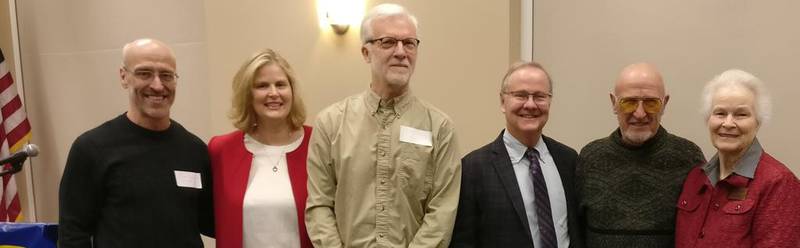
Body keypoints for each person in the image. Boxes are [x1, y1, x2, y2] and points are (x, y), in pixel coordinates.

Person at [305, 3, 461, 247]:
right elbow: (319, 205)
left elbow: (442, 212)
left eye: (409, 43)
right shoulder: (330, 123)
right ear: (366, 53)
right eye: (388, 42)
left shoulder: (439, 128)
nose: (401, 52)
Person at [58, 38, 214, 247]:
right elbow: (73, 234)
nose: (158, 85)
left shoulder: (195, 150)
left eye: (166, 75)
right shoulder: (91, 149)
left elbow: (212, 222)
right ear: (124, 77)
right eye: (144, 73)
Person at [452, 62, 582, 248]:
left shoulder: (569, 160)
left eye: (539, 96)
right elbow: (462, 242)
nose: (530, 104)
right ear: (502, 101)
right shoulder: (473, 168)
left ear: (550, 101)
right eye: (520, 95)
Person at [576, 63, 704, 247]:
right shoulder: (590, 158)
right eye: (629, 102)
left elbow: (701, 233)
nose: (640, 113)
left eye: (651, 103)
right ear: (613, 103)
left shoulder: (689, 157)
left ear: (664, 104)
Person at [675, 69, 800, 247]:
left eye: (741, 114)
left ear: (758, 121)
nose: (728, 123)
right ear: (708, 119)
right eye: (720, 113)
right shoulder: (695, 179)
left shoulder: (778, 183)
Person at [208, 49, 312, 248]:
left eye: (281, 84)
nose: (273, 93)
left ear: (292, 91)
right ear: (248, 94)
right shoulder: (220, 150)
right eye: (262, 86)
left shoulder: (318, 145)